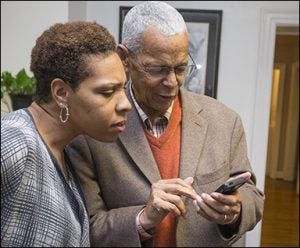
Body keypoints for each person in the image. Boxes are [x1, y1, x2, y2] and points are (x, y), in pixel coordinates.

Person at [66, 2, 265, 247]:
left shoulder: (225, 120)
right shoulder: (89, 133)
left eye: (181, 68)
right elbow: (86, 227)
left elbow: (254, 198)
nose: (172, 82)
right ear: (124, 58)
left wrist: (236, 209)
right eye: (157, 69)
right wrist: (143, 218)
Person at [1, 21, 131, 247]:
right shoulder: (15, 140)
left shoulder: (63, 152)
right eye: (108, 92)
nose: (125, 104)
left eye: (123, 89)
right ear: (61, 93)